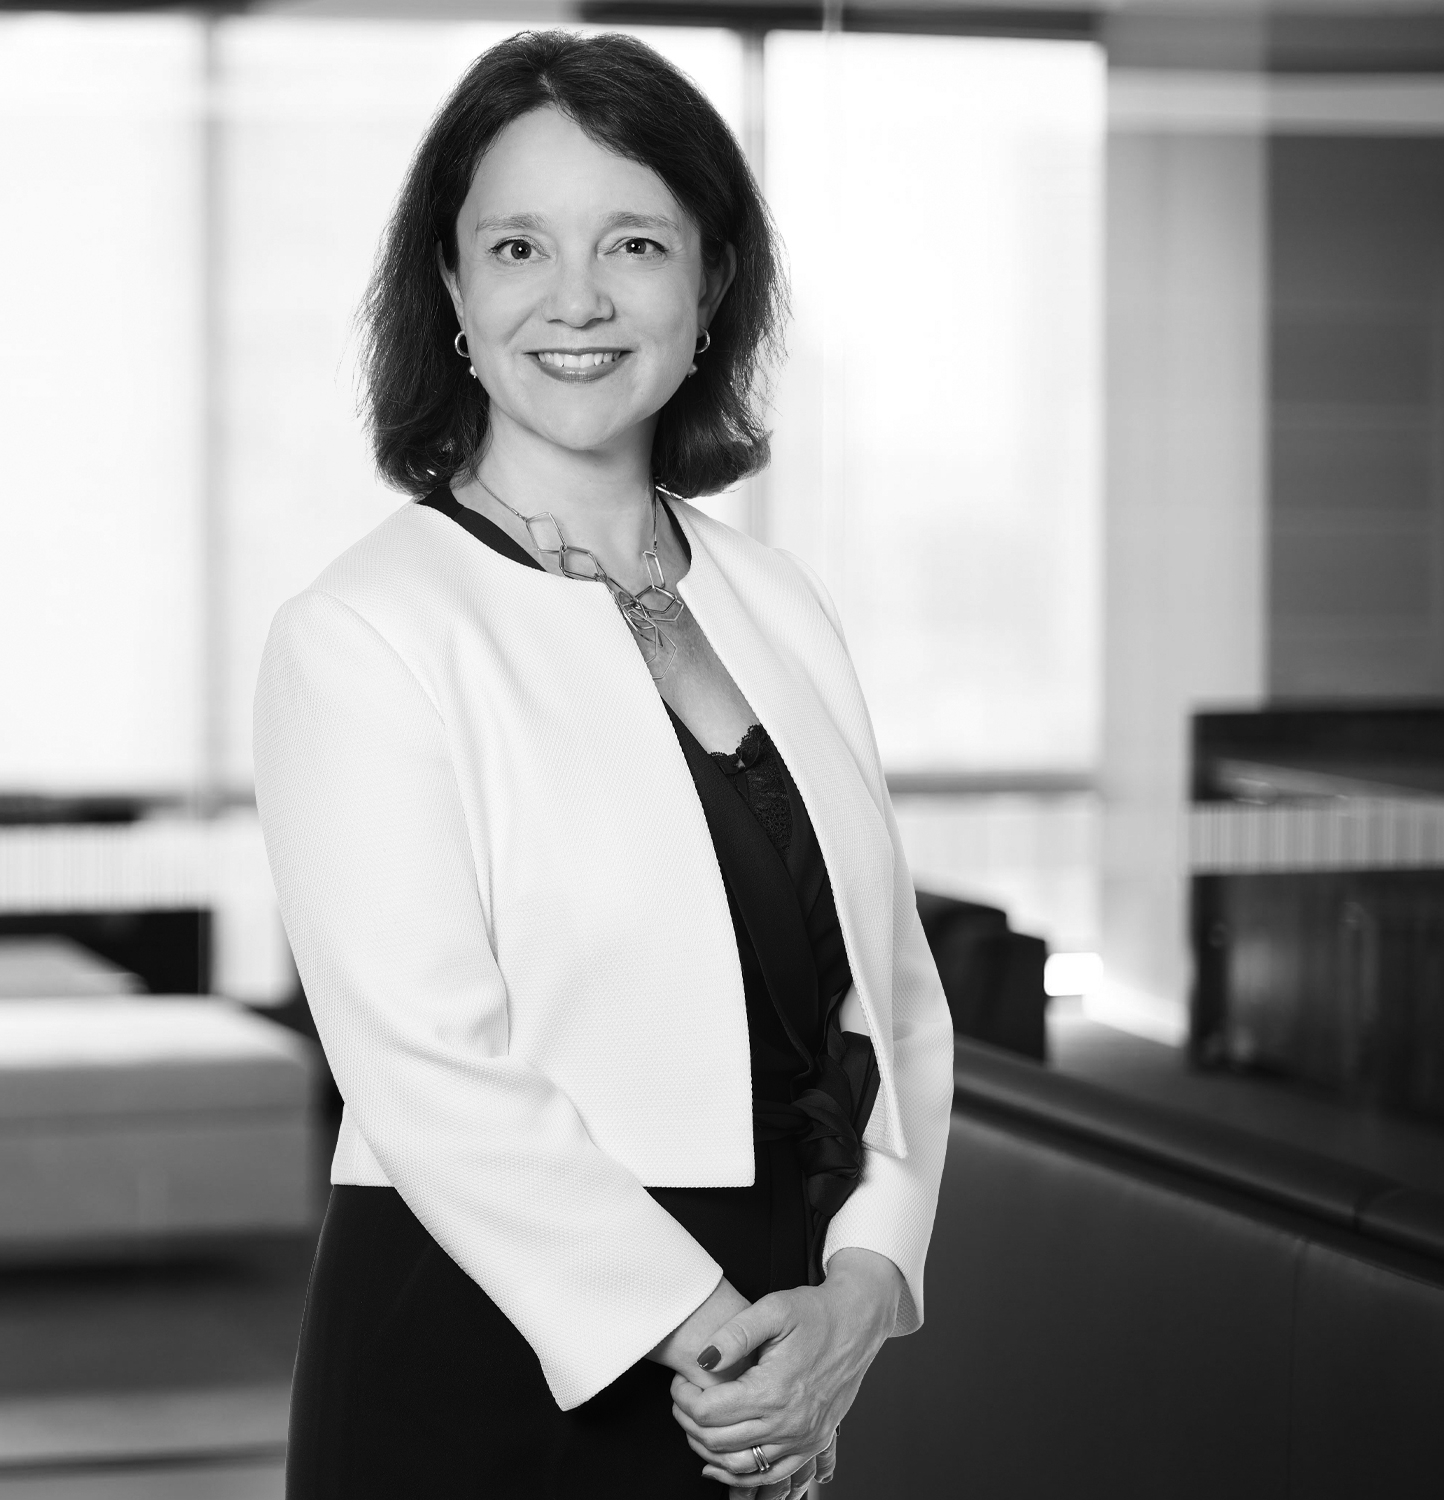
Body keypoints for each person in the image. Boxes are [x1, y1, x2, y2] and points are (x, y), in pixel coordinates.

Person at [254, 30, 953, 1497]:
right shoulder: (364, 632)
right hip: (488, 1348)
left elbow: (888, 995)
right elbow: (426, 1070)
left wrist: (864, 1293)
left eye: (634, 242)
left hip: (780, 1332)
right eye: (518, 247)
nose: (576, 298)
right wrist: (725, 1348)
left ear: (710, 284)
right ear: (454, 293)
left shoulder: (781, 605)